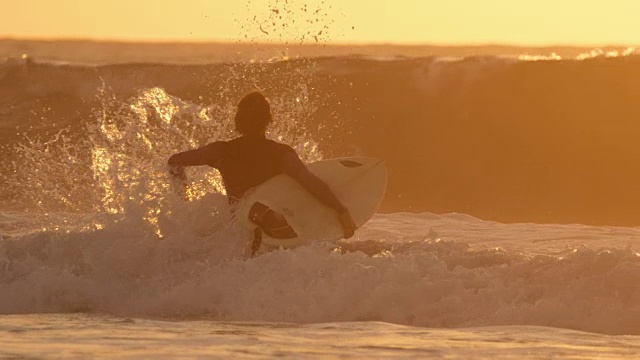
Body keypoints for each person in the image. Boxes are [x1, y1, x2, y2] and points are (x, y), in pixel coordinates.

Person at [168, 91, 356, 253]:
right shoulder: (280, 154)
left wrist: (185, 202)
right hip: (276, 233)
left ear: (237, 121)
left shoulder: (222, 152)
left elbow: (174, 162)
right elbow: (310, 182)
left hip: (237, 235)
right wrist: (341, 210)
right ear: (268, 120)